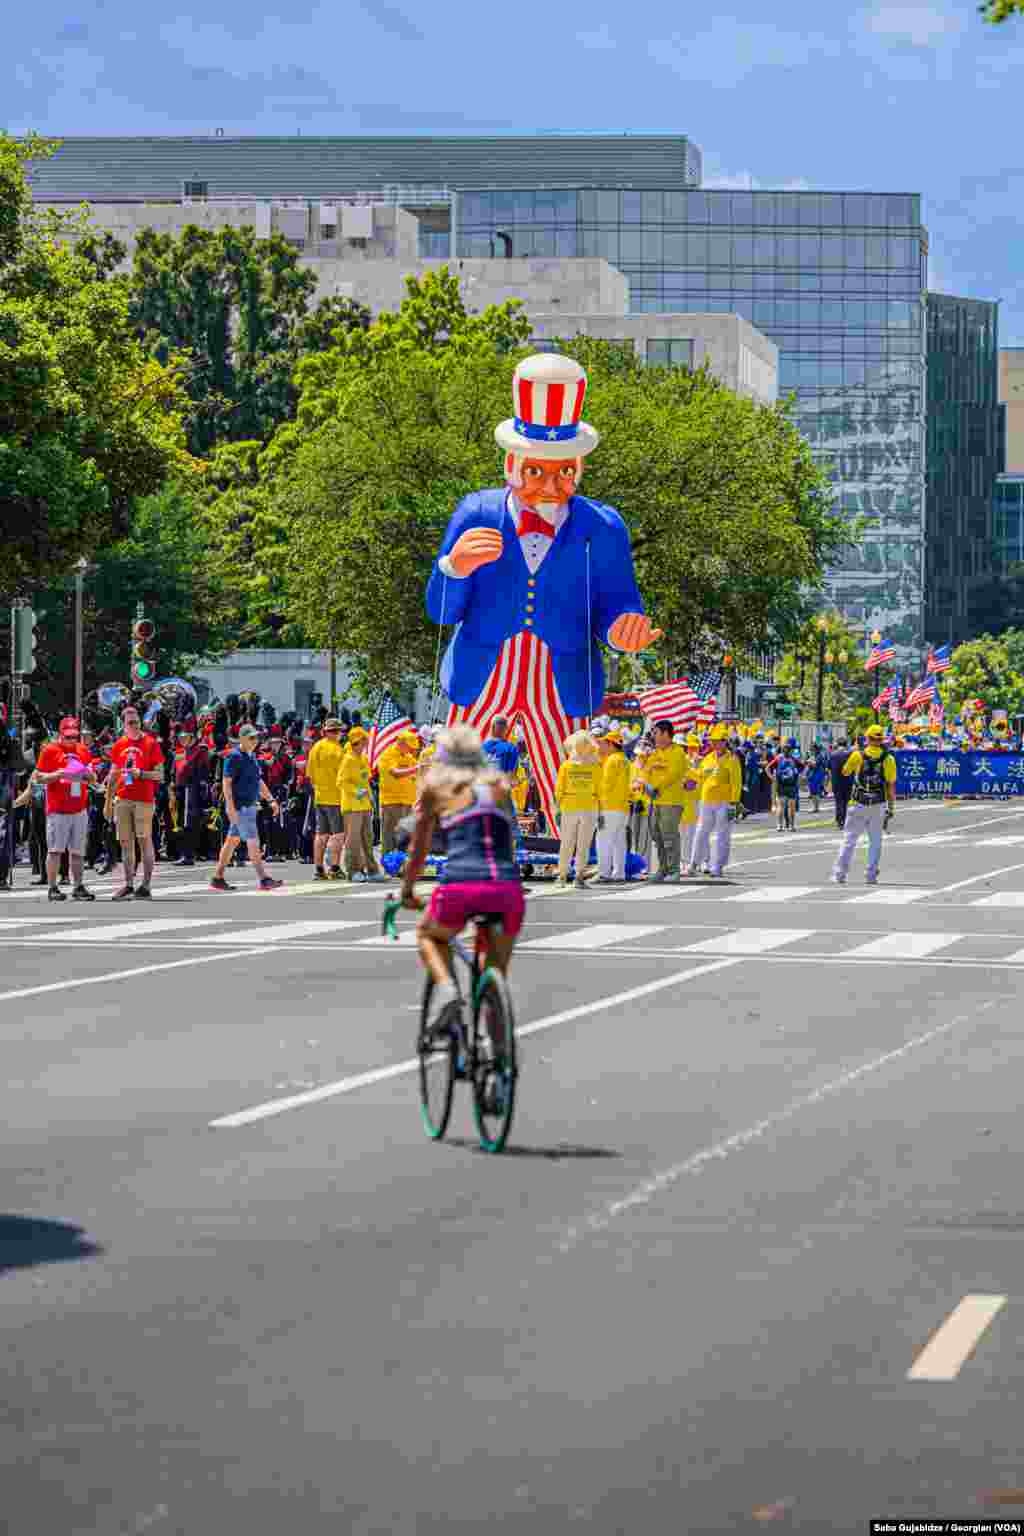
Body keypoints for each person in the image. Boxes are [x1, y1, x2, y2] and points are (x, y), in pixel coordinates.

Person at [426, 352, 662, 837]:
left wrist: (622, 631)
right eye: (536, 472)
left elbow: (618, 602)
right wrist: (454, 567)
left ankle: (575, 848)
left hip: (563, 674)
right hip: (481, 669)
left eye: (565, 472)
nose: (553, 486)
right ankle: (444, 846)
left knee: (570, 779)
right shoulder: (476, 512)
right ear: (510, 463)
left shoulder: (603, 526)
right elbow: (441, 611)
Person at [400, 725, 524, 1051]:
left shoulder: (437, 787)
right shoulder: (499, 786)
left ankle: (447, 992)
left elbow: (418, 849)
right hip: (505, 888)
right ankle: (499, 1056)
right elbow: (507, 839)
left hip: (461, 883)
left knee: (429, 934)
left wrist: (407, 890)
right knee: (494, 972)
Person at [210, 725, 284, 892]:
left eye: (256, 737)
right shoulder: (234, 756)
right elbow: (226, 783)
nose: (255, 741)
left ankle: (217, 877)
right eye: (251, 738)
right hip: (241, 807)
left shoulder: (252, 757)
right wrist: (230, 807)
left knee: (232, 842)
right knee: (253, 841)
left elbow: (258, 781)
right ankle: (263, 878)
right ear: (242, 739)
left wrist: (271, 799)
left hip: (248, 806)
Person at [33, 716, 98, 902]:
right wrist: (58, 774)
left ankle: (78, 886)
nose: (71, 740)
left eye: (74, 737)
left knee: (78, 851)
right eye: (68, 737)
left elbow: (92, 777)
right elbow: (38, 777)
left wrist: (87, 775)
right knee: (55, 850)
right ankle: (53, 887)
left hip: (79, 808)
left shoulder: (83, 750)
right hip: (58, 809)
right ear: (60, 735)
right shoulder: (49, 750)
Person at [108, 705, 165, 901]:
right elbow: (113, 775)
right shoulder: (119, 745)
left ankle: (146, 885)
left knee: (144, 841)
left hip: (144, 799)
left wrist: (141, 773)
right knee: (125, 843)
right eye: (130, 722)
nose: (135, 725)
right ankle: (129, 884)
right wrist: (108, 801)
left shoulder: (151, 743)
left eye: (137, 722)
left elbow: (160, 775)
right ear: (123, 725)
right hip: (123, 798)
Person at [831, 723, 896, 886]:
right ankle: (871, 875)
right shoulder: (888, 759)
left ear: (867, 738)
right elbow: (890, 785)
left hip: (858, 802)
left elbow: (845, 772)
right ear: (882, 740)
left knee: (849, 839)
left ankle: (840, 873)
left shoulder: (858, 755)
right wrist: (891, 807)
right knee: (875, 841)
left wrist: (855, 757)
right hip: (878, 803)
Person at [684, 723, 742, 879]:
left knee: (722, 835)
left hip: (725, 802)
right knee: (701, 832)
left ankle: (718, 866)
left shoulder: (732, 759)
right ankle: (693, 864)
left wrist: (734, 803)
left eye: (717, 741)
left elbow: (736, 783)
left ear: (724, 742)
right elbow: (699, 776)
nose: (714, 743)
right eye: (712, 741)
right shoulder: (708, 758)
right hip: (706, 800)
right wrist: (689, 771)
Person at [642, 719, 692, 882]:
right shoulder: (655, 753)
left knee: (669, 836)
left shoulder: (678, 752)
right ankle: (663, 869)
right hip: (655, 801)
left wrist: (656, 787)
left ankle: (674, 870)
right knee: (657, 836)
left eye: (656, 733)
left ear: (665, 734)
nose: (653, 736)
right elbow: (646, 771)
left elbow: (673, 774)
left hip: (671, 801)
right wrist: (645, 784)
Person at [555, 730, 601, 888]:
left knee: (566, 842)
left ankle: (562, 876)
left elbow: (559, 789)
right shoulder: (595, 766)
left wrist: (557, 808)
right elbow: (600, 789)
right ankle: (579, 876)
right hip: (589, 807)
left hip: (569, 806)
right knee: (584, 844)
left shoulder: (566, 766)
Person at [338, 726, 384, 882]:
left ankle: (372, 870)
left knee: (368, 838)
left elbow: (366, 781)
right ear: (356, 742)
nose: (365, 744)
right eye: (363, 741)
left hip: (364, 805)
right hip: (352, 806)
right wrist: (355, 791)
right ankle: (353, 871)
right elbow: (341, 782)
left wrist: (370, 797)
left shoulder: (363, 758)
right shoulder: (348, 759)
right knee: (354, 840)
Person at [306, 717, 346, 880]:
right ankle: (335, 868)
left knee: (321, 834)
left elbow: (310, 774)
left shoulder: (316, 747)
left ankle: (319, 869)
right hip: (335, 798)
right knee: (338, 834)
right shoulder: (338, 750)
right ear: (338, 732)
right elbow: (343, 777)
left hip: (320, 797)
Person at [377, 730, 420, 853]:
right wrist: (416, 768)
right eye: (410, 747)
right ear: (402, 743)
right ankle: (388, 862)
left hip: (407, 802)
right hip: (392, 802)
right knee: (390, 837)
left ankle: (401, 862)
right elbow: (395, 773)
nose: (411, 751)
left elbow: (418, 774)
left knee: (404, 837)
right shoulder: (388, 755)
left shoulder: (408, 757)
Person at [772, 743, 802, 831]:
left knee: (780, 806)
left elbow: (767, 768)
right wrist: (799, 777)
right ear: (791, 751)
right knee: (791, 807)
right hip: (792, 785)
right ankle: (792, 826)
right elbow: (803, 767)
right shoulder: (794, 759)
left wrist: (773, 778)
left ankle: (779, 825)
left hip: (781, 785)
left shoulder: (778, 758)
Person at [829, 739, 852, 829]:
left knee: (838, 801)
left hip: (836, 781)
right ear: (846, 745)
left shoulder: (833, 755)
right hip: (848, 780)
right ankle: (845, 819)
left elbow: (829, 769)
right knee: (846, 802)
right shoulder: (850, 754)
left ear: (838, 744)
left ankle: (839, 821)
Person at [807, 744, 828, 814]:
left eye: (812, 749)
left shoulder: (819, 756)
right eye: (811, 749)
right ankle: (815, 807)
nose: (811, 751)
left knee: (815, 791)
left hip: (817, 775)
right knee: (813, 791)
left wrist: (809, 762)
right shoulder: (814, 756)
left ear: (816, 749)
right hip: (813, 775)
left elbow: (814, 765)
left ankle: (816, 807)